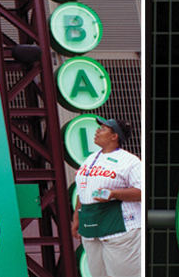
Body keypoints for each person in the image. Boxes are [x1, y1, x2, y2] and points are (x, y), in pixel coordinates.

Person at [71, 117, 142, 277]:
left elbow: (142, 192)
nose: (97, 131)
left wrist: (114, 193)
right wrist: (76, 216)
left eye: (102, 129)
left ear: (114, 136)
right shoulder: (90, 159)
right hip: (92, 227)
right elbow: (83, 189)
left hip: (120, 228)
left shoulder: (130, 161)